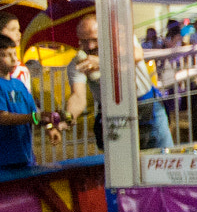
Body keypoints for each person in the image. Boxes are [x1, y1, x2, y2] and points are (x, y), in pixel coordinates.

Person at [64, 14, 173, 153]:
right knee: (120, 168)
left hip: (146, 108)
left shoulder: (122, 37)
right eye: (84, 41)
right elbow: (78, 98)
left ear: (106, 34)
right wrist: (65, 119)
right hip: (113, 116)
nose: (90, 46)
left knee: (162, 162)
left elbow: (137, 54)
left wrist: (102, 62)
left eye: (94, 40)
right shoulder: (79, 62)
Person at [0, 38, 44, 170]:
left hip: (24, 157)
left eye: (14, 54)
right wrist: (34, 118)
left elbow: (34, 113)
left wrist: (50, 125)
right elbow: (3, 117)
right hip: (4, 161)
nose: (14, 59)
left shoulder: (19, 85)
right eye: (6, 55)